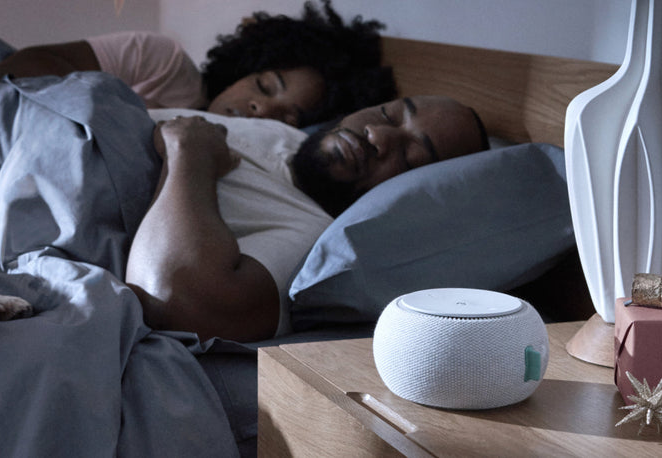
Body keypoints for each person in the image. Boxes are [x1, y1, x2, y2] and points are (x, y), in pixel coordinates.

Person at [126, 95, 489, 342]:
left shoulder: (314, 241)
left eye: (411, 156)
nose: (378, 135)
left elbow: (173, 298)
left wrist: (188, 151)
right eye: (388, 114)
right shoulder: (288, 136)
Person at [0, 0, 395, 128]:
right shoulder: (165, 63)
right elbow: (31, 62)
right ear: (247, 66)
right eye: (265, 86)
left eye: (287, 116)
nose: (260, 110)